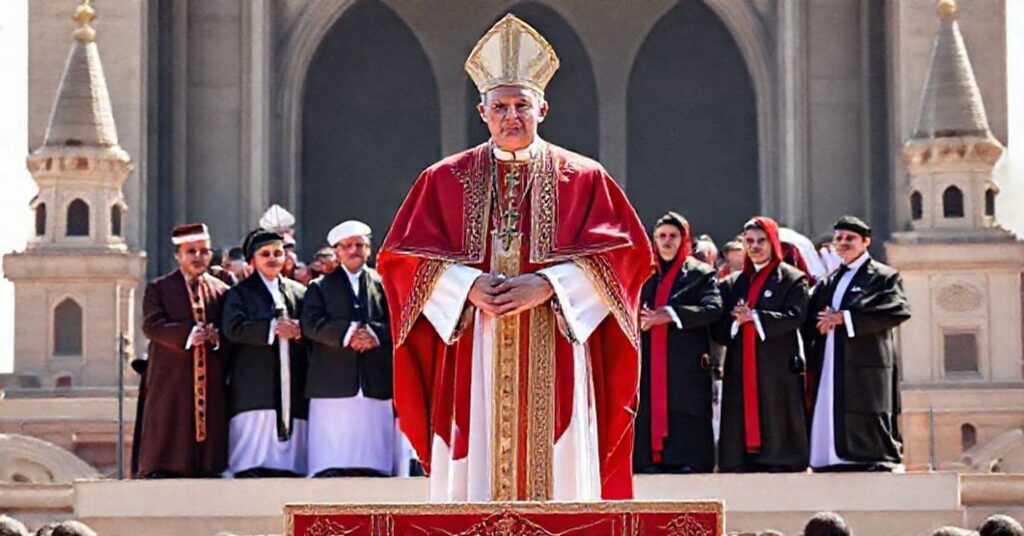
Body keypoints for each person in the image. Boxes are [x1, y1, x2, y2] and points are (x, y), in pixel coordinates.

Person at [378, 14, 652, 501]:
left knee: (559, 481)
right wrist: (465, 286)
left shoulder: (583, 177)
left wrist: (550, 285)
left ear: (542, 108)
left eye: (521, 105)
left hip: (558, 346)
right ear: (482, 111)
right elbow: (400, 259)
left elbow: (627, 257)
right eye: (500, 106)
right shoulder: (443, 179)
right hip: (472, 349)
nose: (511, 116)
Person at [806, 216, 910, 472]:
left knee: (868, 409)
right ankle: (831, 458)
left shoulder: (884, 277)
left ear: (866, 242)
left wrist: (846, 318)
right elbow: (812, 314)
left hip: (866, 359)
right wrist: (820, 323)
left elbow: (897, 310)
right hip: (832, 358)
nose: (843, 243)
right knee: (830, 406)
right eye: (839, 238)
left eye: (850, 238)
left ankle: (872, 457)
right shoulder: (830, 280)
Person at [713, 217, 809, 472]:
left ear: (773, 242)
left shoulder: (792, 279)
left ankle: (779, 458)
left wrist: (755, 318)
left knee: (775, 406)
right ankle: (739, 459)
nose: (755, 246)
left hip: (776, 362)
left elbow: (797, 315)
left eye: (761, 241)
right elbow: (718, 325)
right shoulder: (733, 283)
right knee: (739, 408)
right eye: (750, 241)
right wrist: (736, 323)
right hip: (740, 361)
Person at [301, 221, 397, 477]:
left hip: (374, 377)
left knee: (373, 454)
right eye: (347, 246)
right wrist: (347, 334)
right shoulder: (319, 287)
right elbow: (310, 325)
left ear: (369, 249)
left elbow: (398, 323)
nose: (354, 250)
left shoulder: (385, 284)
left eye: (359, 245)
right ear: (337, 251)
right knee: (333, 454)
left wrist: (374, 334)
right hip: (332, 379)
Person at [138, 223, 229, 478]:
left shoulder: (221, 290)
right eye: (191, 251)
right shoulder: (159, 288)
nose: (198, 257)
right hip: (172, 373)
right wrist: (188, 334)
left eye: (203, 251)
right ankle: (165, 467)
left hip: (210, 372)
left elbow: (229, 330)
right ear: (178, 256)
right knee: (171, 417)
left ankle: (208, 465)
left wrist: (216, 337)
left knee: (212, 419)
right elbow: (152, 326)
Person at [634, 212, 722, 474]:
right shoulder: (644, 272)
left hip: (684, 360)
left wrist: (670, 315)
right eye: (661, 236)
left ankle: (685, 459)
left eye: (673, 236)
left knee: (684, 408)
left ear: (684, 240)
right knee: (646, 407)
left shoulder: (700, 274)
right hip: (648, 357)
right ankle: (648, 459)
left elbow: (713, 309)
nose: (667, 241)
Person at [222, 229, 309, 477]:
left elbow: (311, 328)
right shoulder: (240, 293)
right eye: (265, 254)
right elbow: (233, 328)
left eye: (278, 253)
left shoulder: (298, 292)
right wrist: (272, 328)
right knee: (254, 456)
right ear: (253, 260)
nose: (273, 259)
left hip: (292, 378)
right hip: (255, 381)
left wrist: (299, 331)